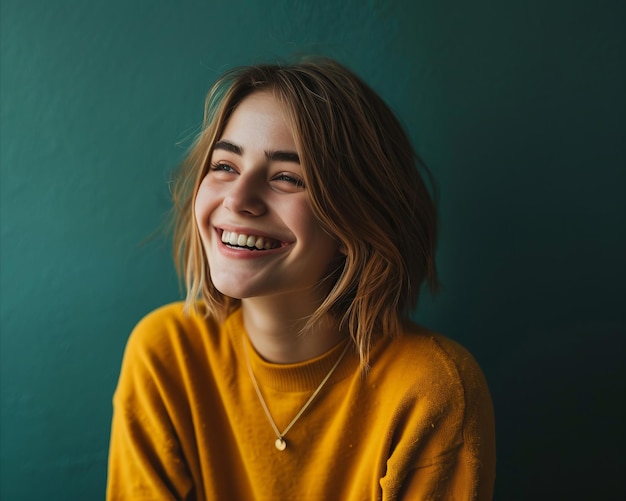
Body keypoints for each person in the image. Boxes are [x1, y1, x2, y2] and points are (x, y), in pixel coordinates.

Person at [106, 57, 496, 500]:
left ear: (355, 220)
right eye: (225, 166)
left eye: (288, 178)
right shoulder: (165, 354)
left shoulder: (431, 389)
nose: (238, 198)